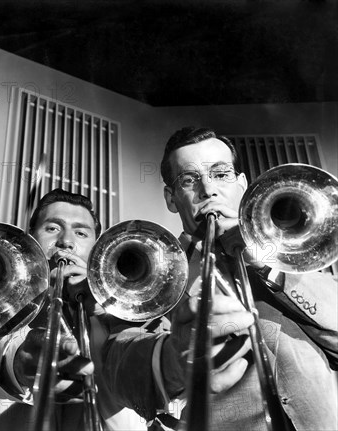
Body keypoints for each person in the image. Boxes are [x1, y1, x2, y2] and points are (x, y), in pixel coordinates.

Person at [103, 127, 338, 430]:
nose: (208, 190)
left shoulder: (291, 256)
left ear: (241, 184)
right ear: (171, 198)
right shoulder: (152, 269)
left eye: (221, 174)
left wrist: (264, 261)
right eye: (189, 180)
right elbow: (119, 367)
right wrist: (173, 359)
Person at [0, 188, 151, 430]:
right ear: (31, 238)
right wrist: (20, 365)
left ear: (97, 248)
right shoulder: (2, 301)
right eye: (52, 228)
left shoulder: (125, 313)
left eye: (81, 232)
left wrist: (101, 312)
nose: (66, 241)